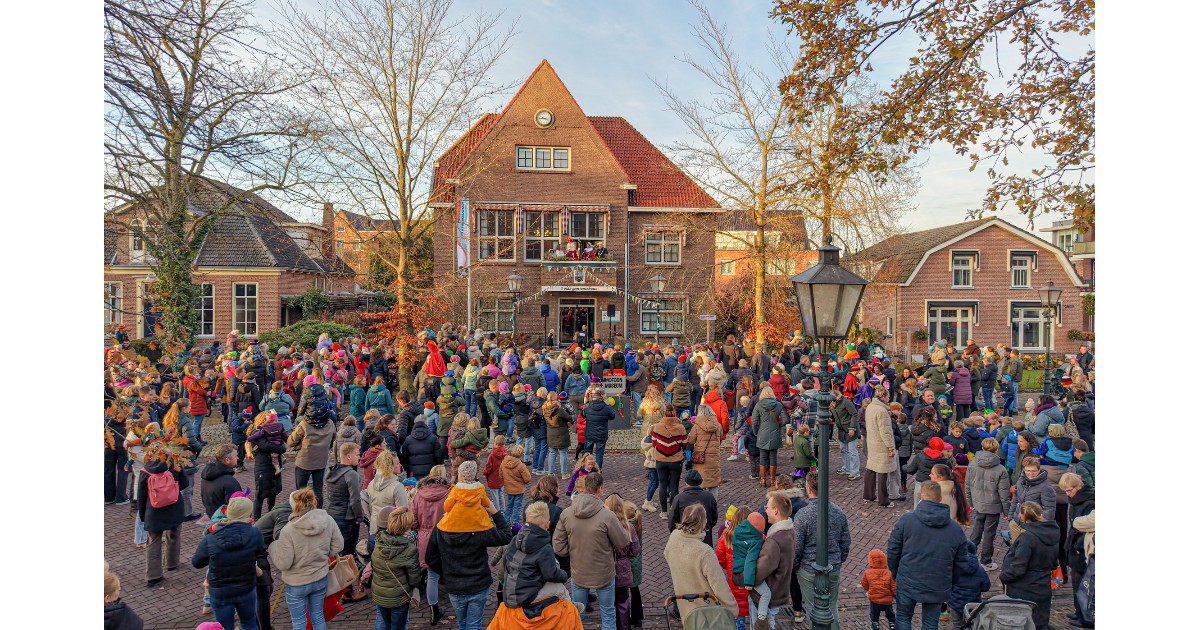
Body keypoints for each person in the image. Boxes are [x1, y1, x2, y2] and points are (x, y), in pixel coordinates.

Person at [427, 461, 514, 630]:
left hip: (454, 585)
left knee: (462, 624)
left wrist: (445, 575)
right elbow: (506, 535)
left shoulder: (442, 527)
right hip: (478, 583)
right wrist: (495, 512)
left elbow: (430, 557)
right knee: (473, 625)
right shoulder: (482, 528)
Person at [885, 482, 972, 630]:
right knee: (931, 623)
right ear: (940, 499)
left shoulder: (907, 520)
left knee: (903, 616)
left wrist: (895, 572)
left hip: (908, 579)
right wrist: (950, 583)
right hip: (938, 584)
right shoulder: (955, 529)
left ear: (922, 497)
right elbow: (962, 562)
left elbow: (893, 550)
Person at [553, 473, 631, 630]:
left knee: (577, 614)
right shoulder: (607, 515)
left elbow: (558, 547)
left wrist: (574, 551)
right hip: (604, 573)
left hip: (579, 571)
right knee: (608, 614)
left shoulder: (567, 513)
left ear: (583, 488)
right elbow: (622, 542)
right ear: (600, 490)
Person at [268, 488, 344, 630]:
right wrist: (323, 555)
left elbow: (283, 562)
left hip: (297, 582)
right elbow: (338, 545)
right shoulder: (327, 519)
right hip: (320, 577)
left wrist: (273, 547)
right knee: (318, 616)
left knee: (299, 621)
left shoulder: (288, 530)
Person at [191, 496, 264, 630]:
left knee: (224, 627)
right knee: (249, 623)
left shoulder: (211, 538)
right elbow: (260, 552)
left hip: (220, 591)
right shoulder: (254, 533)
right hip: (246, 588)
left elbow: (197, 562)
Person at [792, 473, 852, 629]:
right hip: (833, 568)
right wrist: (837, 560)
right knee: (831, 607)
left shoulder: (803, 515)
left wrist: (796, 567)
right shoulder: (838, 512)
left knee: (813, 610)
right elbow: (845, 542)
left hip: (808, 570)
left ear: (808, 488)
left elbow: (797, 547)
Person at [664, 503, 738, 623]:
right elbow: (719, 586)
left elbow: (666, 554)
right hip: (707, 612)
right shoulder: (704, 552)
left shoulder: (674, 536)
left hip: (685, 608)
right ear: (703, 523)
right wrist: (733, 610)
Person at [499, 500, 572, 613]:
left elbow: (505, 562)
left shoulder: (515, 539)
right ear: (547, 524)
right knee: (559, 587)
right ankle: (571, 609)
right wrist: (564, 574)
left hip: (510, 595)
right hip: (527, 597)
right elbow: (551, 574)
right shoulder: (544, 547)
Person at [1000, 502, 1060, 630]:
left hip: (1024, 587)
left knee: (1024, 622)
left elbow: (1018, 567)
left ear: (1022, 517)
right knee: (1040, 621)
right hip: (1043, 584)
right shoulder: (1052, 533)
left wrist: (1005, 576)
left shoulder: (1027, 537)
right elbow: (1054, 560)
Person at [138, 447, 187, 587]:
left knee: (153, 541)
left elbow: (141, 497)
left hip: (153, 512)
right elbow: (185, 483)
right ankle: (172, 563)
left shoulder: (145, 472)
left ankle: (154, 575)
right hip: (174, 508)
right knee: (174, 535)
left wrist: (143, 515)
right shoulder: (173, 466)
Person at [411, 466, 452, 625]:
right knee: (451, 571)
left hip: (426, 538)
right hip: (446, 537)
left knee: (432, 576)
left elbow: (413, 521)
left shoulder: (418, 495)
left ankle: (434, 610)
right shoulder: (449, 494)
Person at [747, 494, 795, 629]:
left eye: (767, 507)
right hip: (779, 591)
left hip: (766, 596)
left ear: (776, 511)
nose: (765, 510)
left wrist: (742, 578)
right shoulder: (789, 532)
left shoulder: (775, 540)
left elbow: (760, 571)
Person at [370, 507, 422, 630]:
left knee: (385, 624)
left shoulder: (377, 543)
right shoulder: (409, 549)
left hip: (380, 595)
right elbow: (414, 578)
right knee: (398, 626)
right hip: (399, 597)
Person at [965, 437, 1011, 570]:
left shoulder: (972, 464)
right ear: (996, 450)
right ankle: (986, 561)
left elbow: (968, 485)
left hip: (978, 503)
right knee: (989, 533)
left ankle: (968, 555)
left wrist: (970, 501)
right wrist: (1007, 511)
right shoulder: (1001, 469)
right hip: (993, 505)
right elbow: (1004, 493)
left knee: (977, 529)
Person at [1058, 473, 1095, 627]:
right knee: (1076, 580)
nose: (1067, 494)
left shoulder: (1089, 502)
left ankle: (1085, 615)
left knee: (1083, 583)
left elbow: (1086, 525)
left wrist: (1078, 543)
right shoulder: (1075, 499)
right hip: (1074, 543)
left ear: (1079, 486)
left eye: (1069, 491)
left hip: (1082, 546)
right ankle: (1078, 611)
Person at [287, 395, 336, 508]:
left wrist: (298, 446)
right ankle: (317, 511)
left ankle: (300, 510)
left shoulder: (304, 424)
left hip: (304, 461)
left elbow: (290, 442)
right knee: (318, 490)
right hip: (321, 461)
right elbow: (333, 440)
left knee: (300, 490)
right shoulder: (330, 424)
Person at [605, 493, 641, 630]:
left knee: (608, 604)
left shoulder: (603, 526)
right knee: (623, 602)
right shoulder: (629, 527)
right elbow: (635, 550)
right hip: (623, 568)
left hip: (606, 568)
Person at [364, 450, 410, 551]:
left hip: (374, 528)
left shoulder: (371, 484)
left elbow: (371, 507)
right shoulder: (397, 487)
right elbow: (403, 513)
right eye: (397, 463)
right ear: (390, 467)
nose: (400, 465)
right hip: (391, 532)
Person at [717, 506, 753, 629]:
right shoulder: (758, 537)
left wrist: (728, 568)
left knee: (737, 607)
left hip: (734, 578)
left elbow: (720, 557)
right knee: (753, 606)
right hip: (752, 579)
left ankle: (739, 625)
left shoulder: (726, 536)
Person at [326, 443, 364, 559]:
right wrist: (359, 517)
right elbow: (355, 500)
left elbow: (329, 496)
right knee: (348, 553)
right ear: (348, 457)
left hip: (332, 515)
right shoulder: (351, 474)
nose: (359, 457)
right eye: (357, 455)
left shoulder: (331, 471)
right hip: (347, 518)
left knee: (334, 552)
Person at [1009, 457, 1058, 545]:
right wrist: (1011, 518)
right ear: (1024, 469)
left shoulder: (1046, 488)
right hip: (1016, 524)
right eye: (1028, 470)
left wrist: (1038, 528)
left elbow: (1049, 511)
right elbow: (1016, 500)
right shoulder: (1021, 481)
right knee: (1015, 551)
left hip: (1032, 528)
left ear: (1039, 470)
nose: (1031, 474)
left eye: (1034, 471)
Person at [863, 388, 897, 508]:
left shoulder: (871, 407)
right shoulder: (882, 411)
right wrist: (890, 447)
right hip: (881, 445)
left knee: (871, 468)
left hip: (872, 442)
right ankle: (883, 500)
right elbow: (885, 431)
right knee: (883, 471)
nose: (889, 399)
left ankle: (868, 495)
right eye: (887, 397)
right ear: (883, 397)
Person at [666, 469, 719, 546]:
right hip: (704, 537)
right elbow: (714, 518)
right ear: (700, 482)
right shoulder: (709, 497)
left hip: (685, 538)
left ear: (686, 483)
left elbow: (672, 521)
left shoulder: (679, 498)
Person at [947, 541, 991, 627]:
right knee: (972, 624)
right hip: (973, 605)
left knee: (957, 625)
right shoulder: (980, 569)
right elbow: (986, 587)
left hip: (955, 603)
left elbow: (947, 584)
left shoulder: (953, 567)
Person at [752, 388, 787, 487]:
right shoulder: (778, 404)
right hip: (775, 433)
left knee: (762, 456)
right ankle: (772, 480)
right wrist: (778, 425)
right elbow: (786, 419)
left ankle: (763, 480)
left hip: (762, 432)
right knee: (773, 457)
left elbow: (754, 422)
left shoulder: (758, 405)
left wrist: (756, 432)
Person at [687, 405, 723, 501]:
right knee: (713, 483)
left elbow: (690, 441)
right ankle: (713, 504)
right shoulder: (718, 425)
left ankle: (701, 503)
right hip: (714, 458)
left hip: (701, 459)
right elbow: (720, 438)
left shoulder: (696, 426)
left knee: (701, 481)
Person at [201, 444, 243, 521]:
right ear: (227, 460)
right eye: (235, 456)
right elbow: (237, 509)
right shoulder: (229, 482)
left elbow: (204, 500)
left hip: (212, 518)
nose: (238, 458)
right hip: (225, 522)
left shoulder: (206, 477)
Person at [581, 386, 617, 470]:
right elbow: (612, 416)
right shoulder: (606, 407)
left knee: (587, 453)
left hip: (590, 433)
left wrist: (585, 401)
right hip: (601, 433)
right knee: (599, 454)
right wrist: (607, 402)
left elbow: (583, 415)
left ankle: (586, 469)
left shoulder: (587, 406)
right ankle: (597, 470)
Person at [860, 549, 896, 630]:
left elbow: (864, 583)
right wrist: (894, 595)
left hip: (874, 599)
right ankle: (892, 624)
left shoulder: (868, 573)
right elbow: (893, 586)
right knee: (890, 613)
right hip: (887, 600)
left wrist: (868, 589)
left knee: (874, 613)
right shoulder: (889, 573)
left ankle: (875, 625)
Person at [501, 443, 533, 527]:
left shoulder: (504, 463)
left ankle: (506, 520)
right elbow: (527, 478)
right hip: (519, 489)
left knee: (509, 505)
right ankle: (515, 522)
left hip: (509, 488)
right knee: (517, 506)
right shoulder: (521, 465)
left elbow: (501, 475)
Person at [831, 388, 860, 480]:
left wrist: (852, 428)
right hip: (841, 430)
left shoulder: (846, 402)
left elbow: (854, 414)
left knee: (852, 451)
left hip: (850, 429)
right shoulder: (831, 404)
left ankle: (855, 472)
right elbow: (832, 415)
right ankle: (847, 468)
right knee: (843, 449)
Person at [544, 394, 574, 479]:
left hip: (551, 434)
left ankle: (550, 472)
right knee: (563, 453)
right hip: (561, 434)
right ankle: (564, 473)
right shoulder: (560, 410)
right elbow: (569, 417)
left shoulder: (545, 410)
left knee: (552, 453)